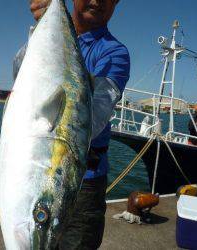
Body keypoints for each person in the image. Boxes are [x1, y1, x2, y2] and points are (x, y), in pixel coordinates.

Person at [13, 0, 130, 249]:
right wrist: (43, 27)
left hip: (85, 182)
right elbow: (18, 72)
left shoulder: (114, 53)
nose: (97, 1)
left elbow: (97, 113)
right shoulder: (46, 34)